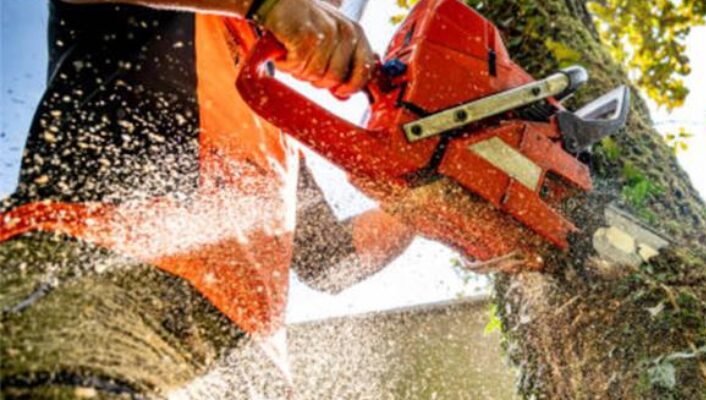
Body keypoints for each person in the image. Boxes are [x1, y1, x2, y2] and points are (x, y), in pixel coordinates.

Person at [0, 0, 414, 397]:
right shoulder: (173, 13)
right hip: (105, 287)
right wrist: (264, 3)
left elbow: (329, 260)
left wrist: (424, 205)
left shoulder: (274, 121)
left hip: (245, 362)